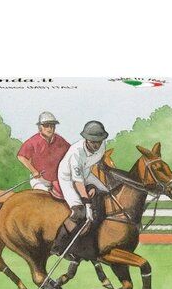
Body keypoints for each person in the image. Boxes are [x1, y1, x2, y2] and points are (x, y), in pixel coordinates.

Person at [52, 120, 109, 259]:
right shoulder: (76, 152)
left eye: (99, 141)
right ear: (86, 139)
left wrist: (93, 186)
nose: (96, 145)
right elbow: (77, 181)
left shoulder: (102, 146)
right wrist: (87, 203)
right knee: (79, 212)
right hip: (68, 178)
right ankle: (57, 245)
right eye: (93, 141)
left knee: (107, 193)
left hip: (86, 173)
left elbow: (93, 167)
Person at [17, 111, 70, 198]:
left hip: (58, 180)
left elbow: (70, 152)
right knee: (44, 198)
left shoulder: (60, 140)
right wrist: (34, 171)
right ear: (40, 127)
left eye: (52, 125)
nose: (50, 128)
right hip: (40, 180)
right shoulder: (33, 141)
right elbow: (21, 156)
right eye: (46, 125)